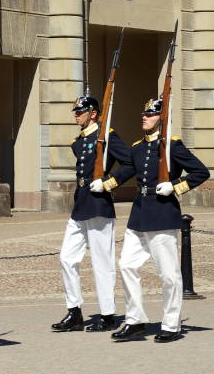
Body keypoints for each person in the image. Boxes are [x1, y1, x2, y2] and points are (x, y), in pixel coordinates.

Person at [111, 97, 209, 343]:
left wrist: (175, 186)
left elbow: (201, 172)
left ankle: (172, 324)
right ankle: (135, 321)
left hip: (162, 215)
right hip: (139, 215)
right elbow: (127, 171)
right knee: (127, 266)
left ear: (161, 119)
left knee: (168, 274)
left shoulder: (172, 146)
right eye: (144, 113)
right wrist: (106, 183)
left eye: (151, 114)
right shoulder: (137, 147)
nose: (145, 117)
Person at [51, 94, 134, 333]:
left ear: (94, 113)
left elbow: (129, 164)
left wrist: (108, 183)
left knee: (102, 262)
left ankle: (107, 314)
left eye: (81, 111)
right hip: (81, 204)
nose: (76, 115)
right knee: (67, 258)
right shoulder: (80, 141)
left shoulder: (107, 135)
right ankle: (74, 311)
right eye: (76, 111)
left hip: (99, 203)